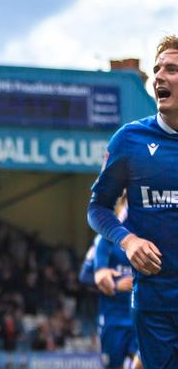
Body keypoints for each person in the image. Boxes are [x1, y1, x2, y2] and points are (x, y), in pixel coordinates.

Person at [89, 34, 178, 369]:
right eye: (157, 70)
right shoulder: (130, 140)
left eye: (172, 69)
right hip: (154, 305)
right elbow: (98, 207)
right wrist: (128, 241)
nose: (159, 77)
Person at [79, 195, 139, 369]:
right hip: (113, 318)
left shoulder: (147, 237)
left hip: (141, 317)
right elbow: (85, 275)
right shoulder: (105, 239)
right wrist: (116, 283)